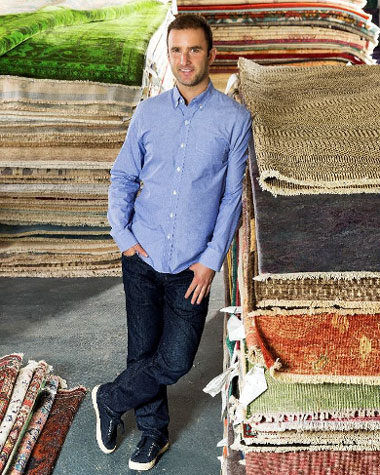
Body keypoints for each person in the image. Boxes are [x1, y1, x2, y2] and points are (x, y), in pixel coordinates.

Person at [92, 13, 252, 471]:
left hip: (191, 265)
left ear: (211, 54)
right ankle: (153, 435)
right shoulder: (148, 113)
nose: (185, 60)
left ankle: (110, 396)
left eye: (194, 49)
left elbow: (231, 195)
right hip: (141, 253)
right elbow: (123, 175)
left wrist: (210, 260)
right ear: (170, 54)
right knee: (142, 351)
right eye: (177, 50)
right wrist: (123, 236)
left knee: (176, 358)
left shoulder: (235, 119)